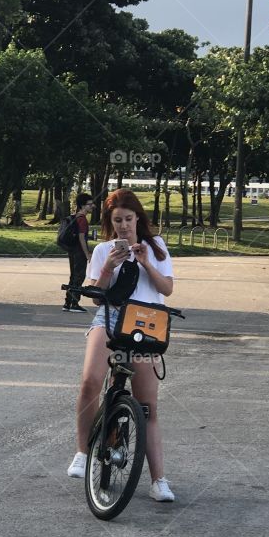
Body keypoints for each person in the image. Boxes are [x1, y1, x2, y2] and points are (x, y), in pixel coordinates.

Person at [67, 189, 176, 503]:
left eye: (129, 219)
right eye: (118, 220)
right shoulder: (103, 249)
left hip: (147, 321)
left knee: (148, 406)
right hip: (111, 316)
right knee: (90, 381)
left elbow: (167, 289)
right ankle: (82, 453)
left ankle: (159, 481)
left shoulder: (156, 247)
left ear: (138, 218)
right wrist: (107, 269)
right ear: (110, 222)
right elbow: (94, 293)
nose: (125, 225)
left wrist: (146, 263)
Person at [63, 193, 93, 312]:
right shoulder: (82, 220)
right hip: (79, 252)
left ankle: (67, 303)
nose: (92, 206)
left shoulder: (75, 217)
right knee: (79, 276)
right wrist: (87, 254)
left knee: (73, 276)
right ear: (82, 206)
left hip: (72, 251)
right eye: (89, 204)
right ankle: (75, 304)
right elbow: (81, 237)